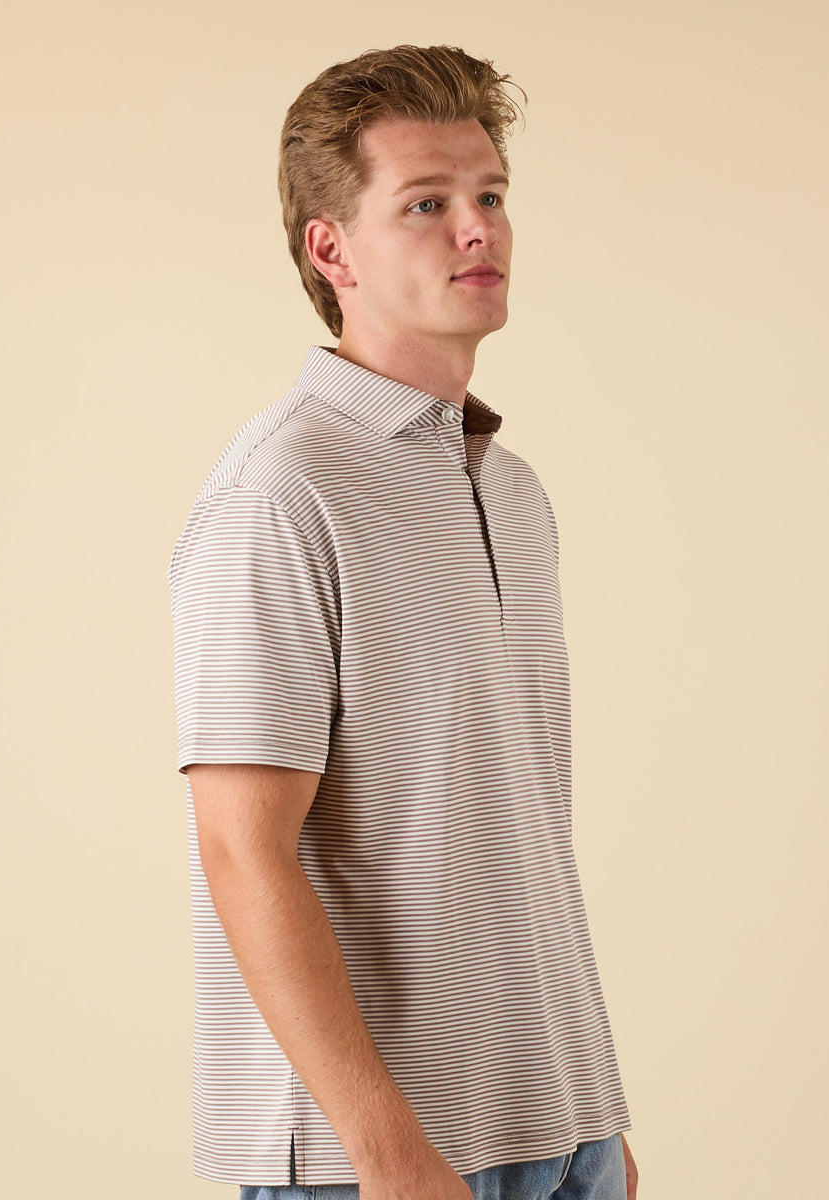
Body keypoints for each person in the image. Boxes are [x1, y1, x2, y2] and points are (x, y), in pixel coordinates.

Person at [169, 44, 638, 1200]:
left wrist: (596, 1110)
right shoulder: (280, 490)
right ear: (333, 251)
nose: (476, 229)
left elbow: (511, 832)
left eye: (489, 197)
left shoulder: (511, 491)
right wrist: (386, 1151)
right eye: (426, 204)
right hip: (372, 1161)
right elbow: (242, 849)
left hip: (556, 1124)